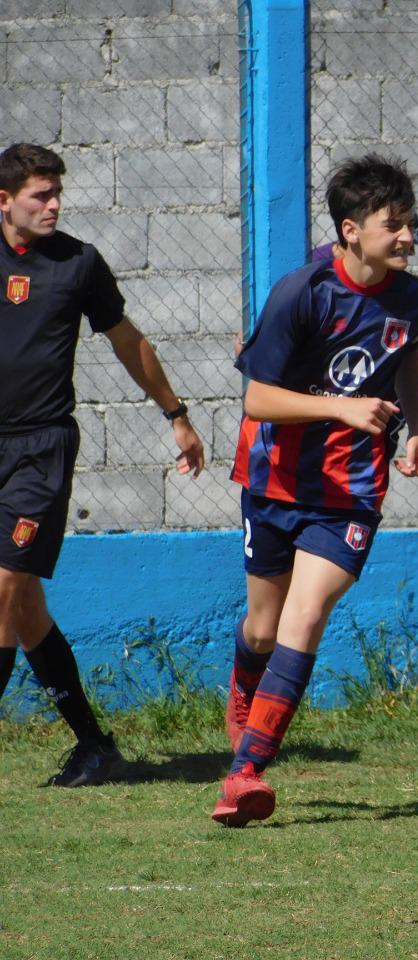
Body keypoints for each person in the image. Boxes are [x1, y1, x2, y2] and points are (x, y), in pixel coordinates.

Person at [212, 154, 418, 827]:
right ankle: (244, 688)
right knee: (262, 627)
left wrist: (417, 427)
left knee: (305, 617)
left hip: (352, 490)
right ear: (350, 230)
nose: (407, 236)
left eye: (410, 223)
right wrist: (341, 407)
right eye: (393, 225)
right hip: (275, 479)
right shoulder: (302, 292)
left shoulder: (415, 299)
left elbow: (405, 352)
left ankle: (245, 774)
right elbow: (257, 398)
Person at [0, 143, 205, 786]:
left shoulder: (78, 263)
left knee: (3, 592)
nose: (54, 204)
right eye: (40, 195)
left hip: (40, 452)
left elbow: (127, 341)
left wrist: (176, 413)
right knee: (24, 608)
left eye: (57, 193)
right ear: (4, 200)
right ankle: (95, 747)